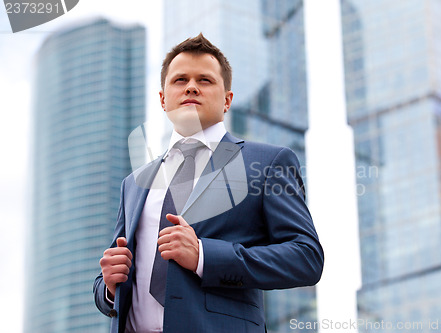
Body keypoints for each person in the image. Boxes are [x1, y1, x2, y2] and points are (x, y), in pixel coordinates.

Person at [93, 33, 323, 333]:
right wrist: (109, 287)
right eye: (180, 80)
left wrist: (204, 256)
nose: (191, 86)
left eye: (204, 80)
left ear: (227, 100)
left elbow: (306, 257)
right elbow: (110, 286)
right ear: (163, 99)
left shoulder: (267, 163)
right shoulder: (134, 183)